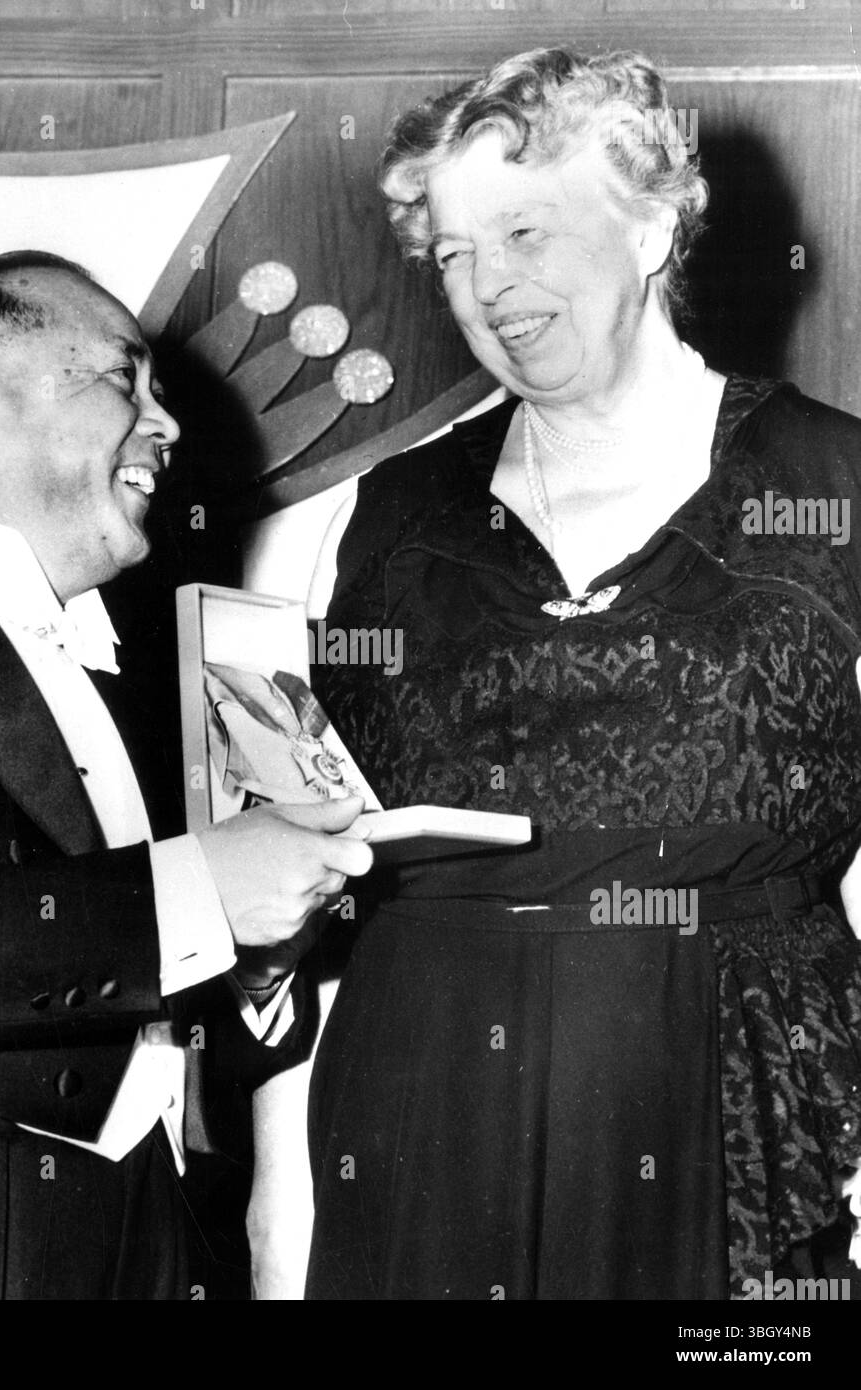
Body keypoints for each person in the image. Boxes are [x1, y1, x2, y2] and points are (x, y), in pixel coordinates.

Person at [302, 48, 861, 1300]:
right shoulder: (390, 514)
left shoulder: (836, 486)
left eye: (525, 230)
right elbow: (319, 863)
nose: (489, 285)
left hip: (736, 1099)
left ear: (655, 220)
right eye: (451, 253)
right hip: (419, 1096)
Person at [0, 250, 372, 1300]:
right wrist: (201, 889)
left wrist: (263, 960)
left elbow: (157, 969)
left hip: (164, 1231)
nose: (164, 424)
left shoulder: (164, 674)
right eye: (120, 381)